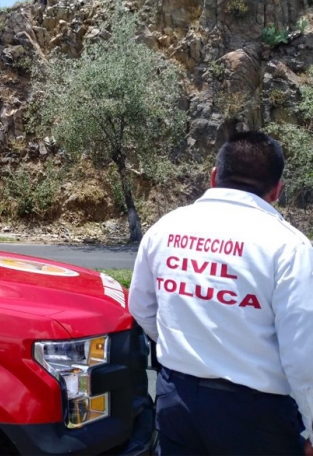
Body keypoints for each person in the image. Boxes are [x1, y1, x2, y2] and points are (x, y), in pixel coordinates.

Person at [128, 131, 313, 455]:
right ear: (276, 191)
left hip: (177, 400)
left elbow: (142, 308)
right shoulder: (289, 247)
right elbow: (302, 354)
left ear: (214, 177)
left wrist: (187, 346)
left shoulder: (165, 229)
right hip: (257, 415)